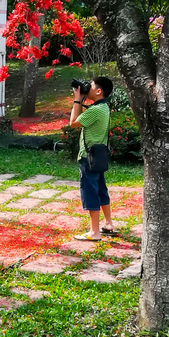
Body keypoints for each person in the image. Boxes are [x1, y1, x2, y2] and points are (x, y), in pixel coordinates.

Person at [69, 75, 115, 241]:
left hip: (88, 157)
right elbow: (82, 119)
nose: (88, 87)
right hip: (98, 156)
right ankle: (108, 223)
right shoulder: (103, 107)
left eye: (91, 85)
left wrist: (76, 100)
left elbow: (73, 123)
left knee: (91, 192)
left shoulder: (95, 110)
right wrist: (81, 100)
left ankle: (94, 232)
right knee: (101, 188)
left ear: (98, 91)